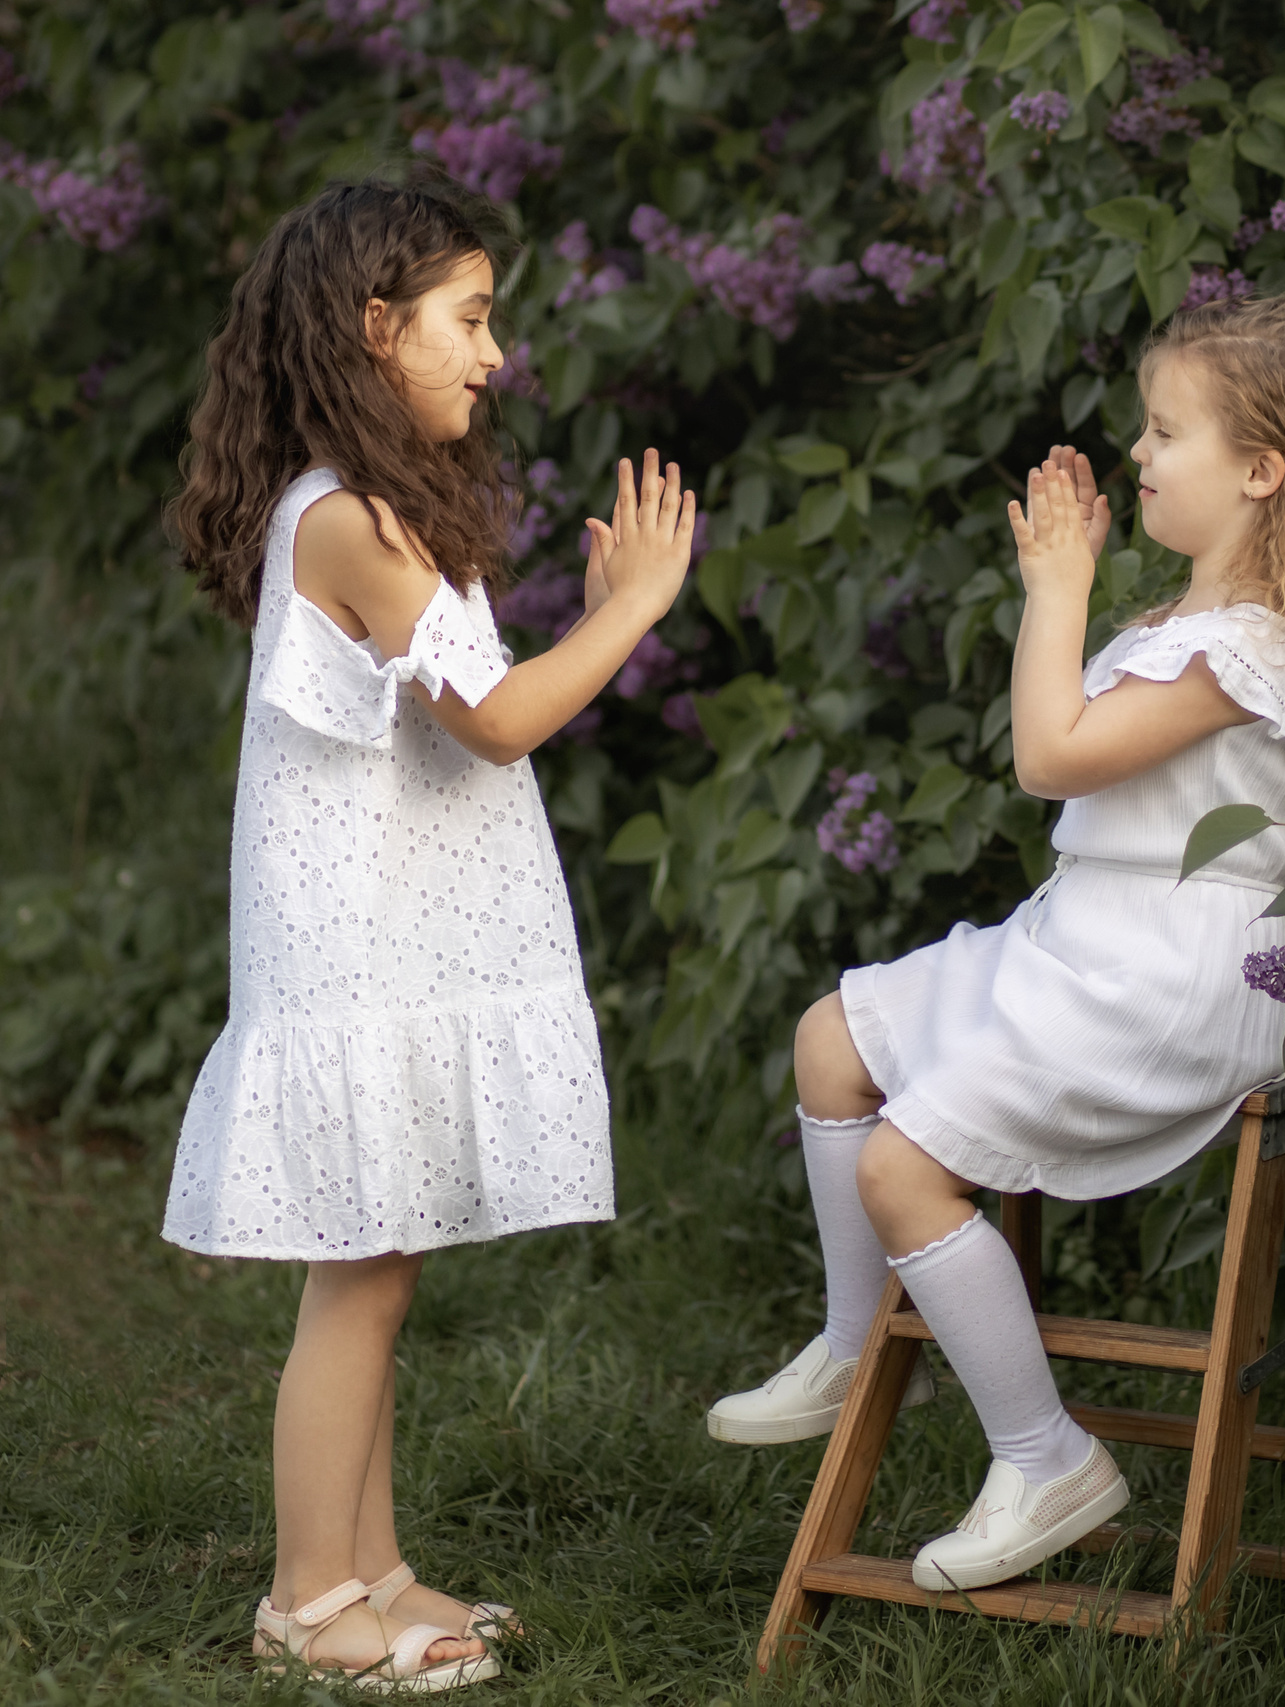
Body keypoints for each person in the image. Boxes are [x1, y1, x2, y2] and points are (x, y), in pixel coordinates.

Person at [706, 294, 1285, 1592]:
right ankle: (848, 1340)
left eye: (1167, 433)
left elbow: (1049, 758)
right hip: (1074, 945)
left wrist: (1056, 587)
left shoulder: (1252, 655)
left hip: (1175, 978)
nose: (1139, 455)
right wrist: (1083, 594)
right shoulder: (1177, 630)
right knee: (831, 1041)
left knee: (902, 1169)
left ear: (1263, 473)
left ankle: (1047, 1458)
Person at [161, 173, 696, 1690]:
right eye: (470, 320)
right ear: (374, 329)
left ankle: (373, 1569)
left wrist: (592, 612)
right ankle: (306, 1603)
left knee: (378, 1258)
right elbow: (502, 720)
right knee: (364, 1270)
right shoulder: (346, 521)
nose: (494, 354)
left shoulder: (377, 510)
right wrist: (633, 606)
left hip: (390, 937)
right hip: (352, 953)